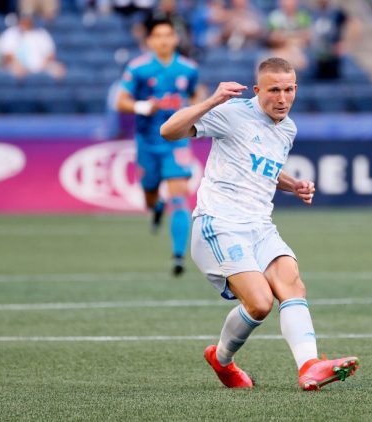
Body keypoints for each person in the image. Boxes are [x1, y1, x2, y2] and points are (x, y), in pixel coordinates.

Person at [160, 57, 359, 390]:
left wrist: (292, 184)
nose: (282, 99)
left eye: (289, 89)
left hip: (260, 226)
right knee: (261, 303)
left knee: (291, 282)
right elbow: (168, 131)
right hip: (219, 224)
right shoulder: (232, 113)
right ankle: (221, 361)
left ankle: (310, 365)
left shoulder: (287, 128)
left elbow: (261, 167)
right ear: (257, 90)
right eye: (274, 90)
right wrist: (211, 101)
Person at [116, 18, 200, 277]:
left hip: (176, 141)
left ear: (176, 38)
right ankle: (157, 208)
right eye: (158, 35)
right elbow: (121, 101)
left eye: (168, 35)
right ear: (150, 40)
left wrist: (198, 114)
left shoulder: (188, 69)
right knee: (150, 194)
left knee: (180, 196)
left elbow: (195, 95)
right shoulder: (138, 68)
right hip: (147, 141)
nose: (164, 40)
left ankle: (178, 257)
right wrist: (142, 106)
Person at [0, 14, 65, 79]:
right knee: (15, 70)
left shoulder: (42, 33)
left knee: (59, 70)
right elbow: (7, 56)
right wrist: (18, 65)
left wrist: (43, 64)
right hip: (16, 66)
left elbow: (50, 54)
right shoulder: (10, 33)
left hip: (40, 66)